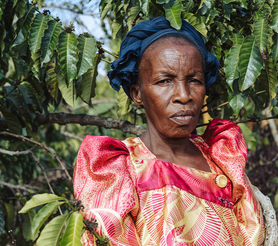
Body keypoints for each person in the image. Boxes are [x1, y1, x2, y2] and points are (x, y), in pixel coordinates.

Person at [73, 16, 265, 245]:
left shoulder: (221, 158)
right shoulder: (118, 169)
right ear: (137, 94)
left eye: (194, 80)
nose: (184, 95)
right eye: (165, 81)